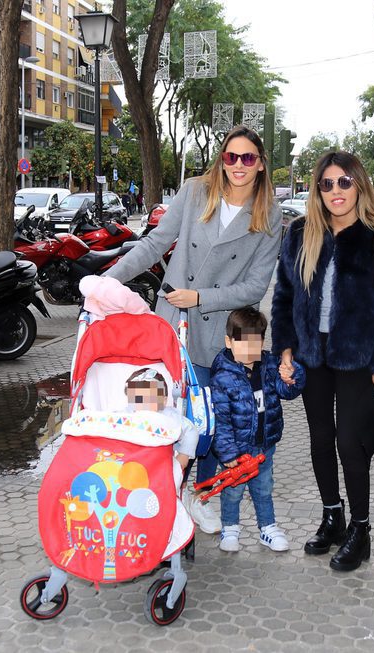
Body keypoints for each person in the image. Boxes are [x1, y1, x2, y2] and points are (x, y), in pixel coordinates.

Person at [105, 124, 282, 534]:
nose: (238, 165)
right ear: (222, 159)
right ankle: (152, 492)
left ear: (260, 165)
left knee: (210, 421)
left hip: (222, 332)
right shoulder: (194, 191)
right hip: (174, 322)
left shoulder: (268, 212)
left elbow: (255, 287)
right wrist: (109, 280)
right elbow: (154, 243)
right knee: (162, 410)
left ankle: (198, 494)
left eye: (248, 158)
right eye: (231, 156)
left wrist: (201, 297)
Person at [271, 151, 374, 572]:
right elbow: (284, 297)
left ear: (359, 186)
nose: (335, 191)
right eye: (326, 184)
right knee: (318, 440)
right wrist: (285, 348)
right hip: (313, 353)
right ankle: (333, 515)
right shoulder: (299, 234)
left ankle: (361, 531)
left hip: (358, 358)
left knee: (350, 442)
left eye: (343, 182)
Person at [209, 308, 305, 553]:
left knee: (263, 488)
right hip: (237, 451)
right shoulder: (223, 376)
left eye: (256, 341)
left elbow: (287, 393)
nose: (250, 348)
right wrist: (227, 453)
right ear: (229, 342)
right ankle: (230, 528)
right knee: (233, 491)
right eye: (243, 342)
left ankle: (267, 528)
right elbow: (220, 418)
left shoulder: (269, 366)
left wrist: (292, 376)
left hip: (265, 445)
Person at [124, 368, 198, 473]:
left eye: (150, 398)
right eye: (138, 398)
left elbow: (191, 431)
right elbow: (111, 421)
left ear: (163, 401)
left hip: (161, 464)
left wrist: (184, 454)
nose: (143, 403)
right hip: (131, 460)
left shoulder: (169, 416)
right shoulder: (127, 414)